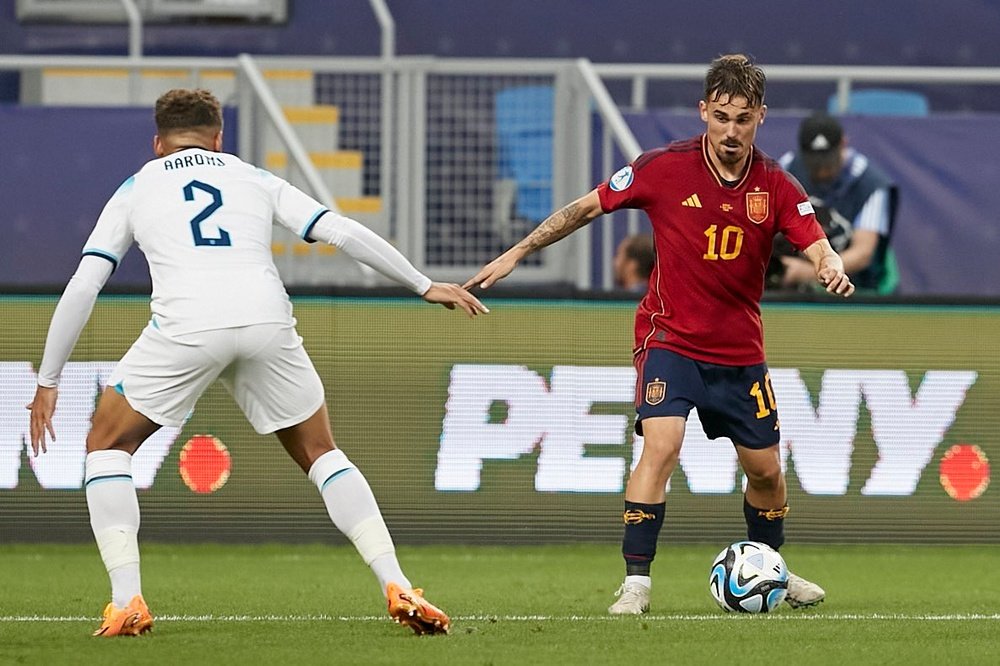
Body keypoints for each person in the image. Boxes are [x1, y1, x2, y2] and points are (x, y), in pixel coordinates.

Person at [27, 89, 487, 637]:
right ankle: (397, 582)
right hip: (266, 321)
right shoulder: (251, 176)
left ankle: (127, 600)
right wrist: (421, 283)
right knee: (321, 452)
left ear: (158, 143)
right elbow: (337, 229)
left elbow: (87, 281)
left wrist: (49, 379)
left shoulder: (135, 188)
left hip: (186, 327)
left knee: (107, 445)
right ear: (219, 138)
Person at [465, 55, 854, 615]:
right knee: (662, 444)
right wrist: (520, 251)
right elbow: (585, 208)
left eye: (742, 119)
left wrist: (828, 264)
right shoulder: (663, 168)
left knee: (766, 471)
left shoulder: (776, 185)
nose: (729, 131)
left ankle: (772, 568)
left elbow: (816, 241)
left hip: (740, 353)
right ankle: (637, 584)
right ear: (703, 111)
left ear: (761, 118)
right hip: (669, 339)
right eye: (720, 117)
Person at [776, 112, 898, 293]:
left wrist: (809, 273)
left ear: (843, 144)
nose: (823, 171)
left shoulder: (871, 185)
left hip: (856, 290)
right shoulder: (786, 169)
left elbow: (863, 253)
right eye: (815, 164)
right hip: (792, 288)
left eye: (828, 162)